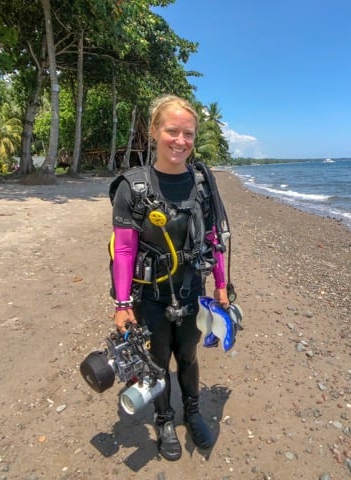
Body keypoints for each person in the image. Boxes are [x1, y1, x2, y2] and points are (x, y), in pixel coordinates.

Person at [109, 94, 231, 461]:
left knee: (189, 356)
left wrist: (222, 285)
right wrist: (121, 304)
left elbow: (213, 237)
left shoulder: (202, 183)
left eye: (188, 134)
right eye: (172, 131)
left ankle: (191, 412)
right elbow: (126, 250)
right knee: (158, 359)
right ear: (154, 132)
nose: (181, 141)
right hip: (151, 296)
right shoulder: (134, 187)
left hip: (193, 290)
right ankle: (164, 419)